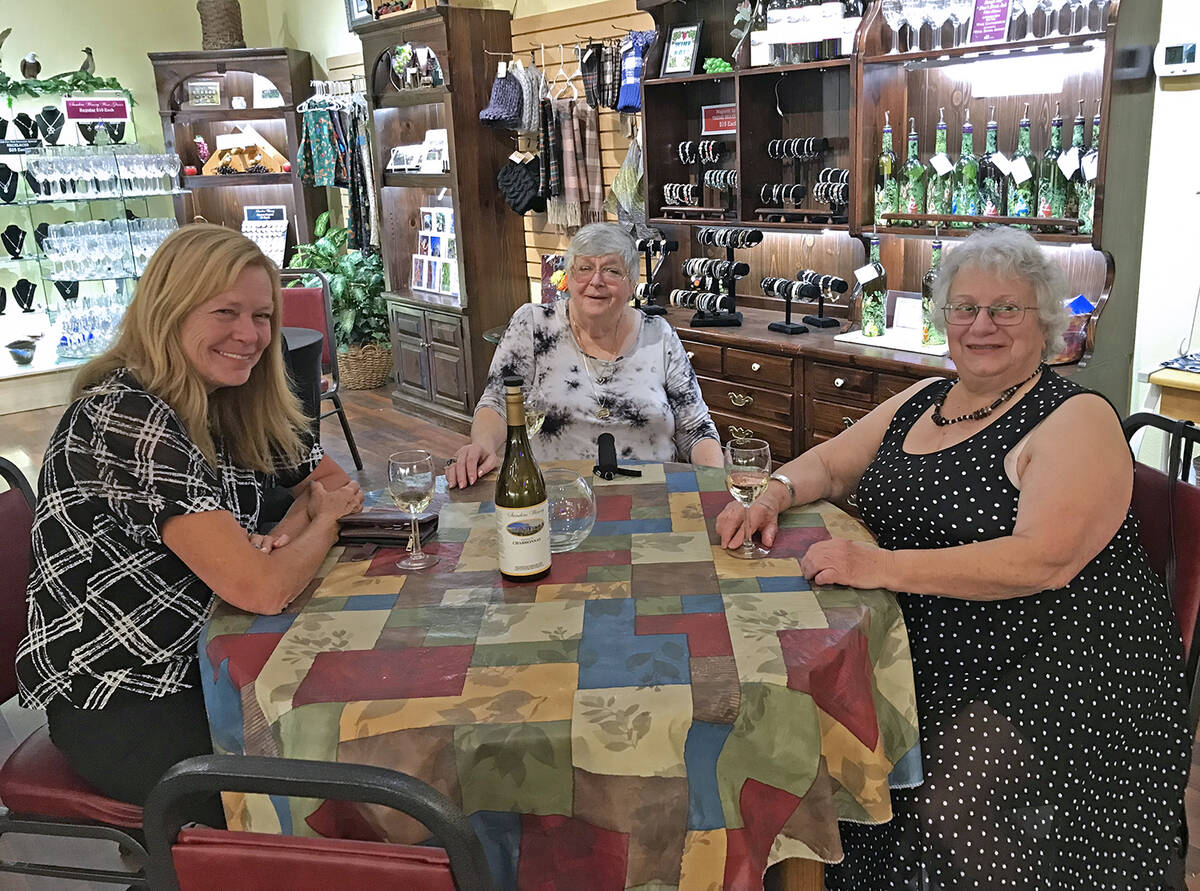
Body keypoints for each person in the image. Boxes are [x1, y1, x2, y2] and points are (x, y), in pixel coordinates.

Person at [716, 227, 1190, 888]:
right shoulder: (925, 400)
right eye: (965, 308)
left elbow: (1042, 561)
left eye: (1006, 309)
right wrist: (774, 491)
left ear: (1046, 321)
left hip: (1052, 659)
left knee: (932, 798)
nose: (982, 325)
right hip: (921, 640)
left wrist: (880, 567)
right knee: (821, 735)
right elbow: (828, 463)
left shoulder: (1075, 417)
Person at [15, 224, 364, 821]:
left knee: (360, 698)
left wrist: (290, 532)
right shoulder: (127, 418)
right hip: (132, 702)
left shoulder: (231, 399)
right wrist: (315, 527)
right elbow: (265, 587)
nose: (250, 335)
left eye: (261, 316)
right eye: (225, 312)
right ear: (168, 311)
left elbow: (334, 486)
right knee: (356, 765)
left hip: (219, 662)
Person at [446, 223, 721, 488]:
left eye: (612, 271)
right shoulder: (533, 324)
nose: (596, 281)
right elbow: (498, 404)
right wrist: (481, 447)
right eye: (585, 268)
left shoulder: (659, 335)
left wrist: (718, 485)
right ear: (569, 276)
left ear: (632, 281)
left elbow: (695, 428)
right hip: (554, 494)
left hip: (652, 498)